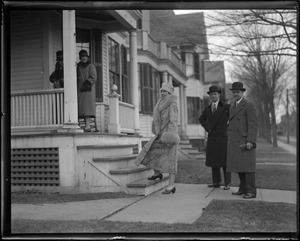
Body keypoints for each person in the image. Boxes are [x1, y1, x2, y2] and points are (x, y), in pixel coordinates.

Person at [134, 82, 180, 194]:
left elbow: (173, 121)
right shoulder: (160, 102)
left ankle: (171, 185)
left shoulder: (172, 104)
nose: (162, 93)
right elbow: (157, 118)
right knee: (150, 150)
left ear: (169, 92)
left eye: (165, 91)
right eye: (162, 91)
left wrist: (170, 136)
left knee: (171, 160)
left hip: (169, 134)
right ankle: (157, 173)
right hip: (160, 133)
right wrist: (157, 130)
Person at [227, 82, 258, 199]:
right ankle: (243, 188)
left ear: (242, 93)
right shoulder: (232, 106)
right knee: (239, 166)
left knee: (248, 167)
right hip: (235, 140)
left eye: (238, 92)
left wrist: (251, 141)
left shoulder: (248, 105)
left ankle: (251, 191)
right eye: (234, 92)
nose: (235, 94)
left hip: (245, 141)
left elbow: (253, 124)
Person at [199, 85, 231, 190]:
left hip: (223, 138)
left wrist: (227, 128)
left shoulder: (226, 107)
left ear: (219, 95)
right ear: (209, 96)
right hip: (212, 138)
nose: (213, 96)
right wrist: (208, 128)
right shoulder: (208, 109)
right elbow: (201, 119)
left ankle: (227, 183)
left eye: (215, 94)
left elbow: (233, 119)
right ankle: (216, 182)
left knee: (225, 162)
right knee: (214, 162)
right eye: (211, 94)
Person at [77, 50, 97, 132]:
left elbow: (93, 77)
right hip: (80, 89)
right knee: (81, 108)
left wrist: (87, 83)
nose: (84, 58)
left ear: (87, 57)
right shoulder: (79, 67)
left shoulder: (91, 66)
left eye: (85, 56)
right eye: (82, 57)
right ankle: (80, 125)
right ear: (80, 58)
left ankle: (87, 126)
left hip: (88, 90)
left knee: (87, 108)